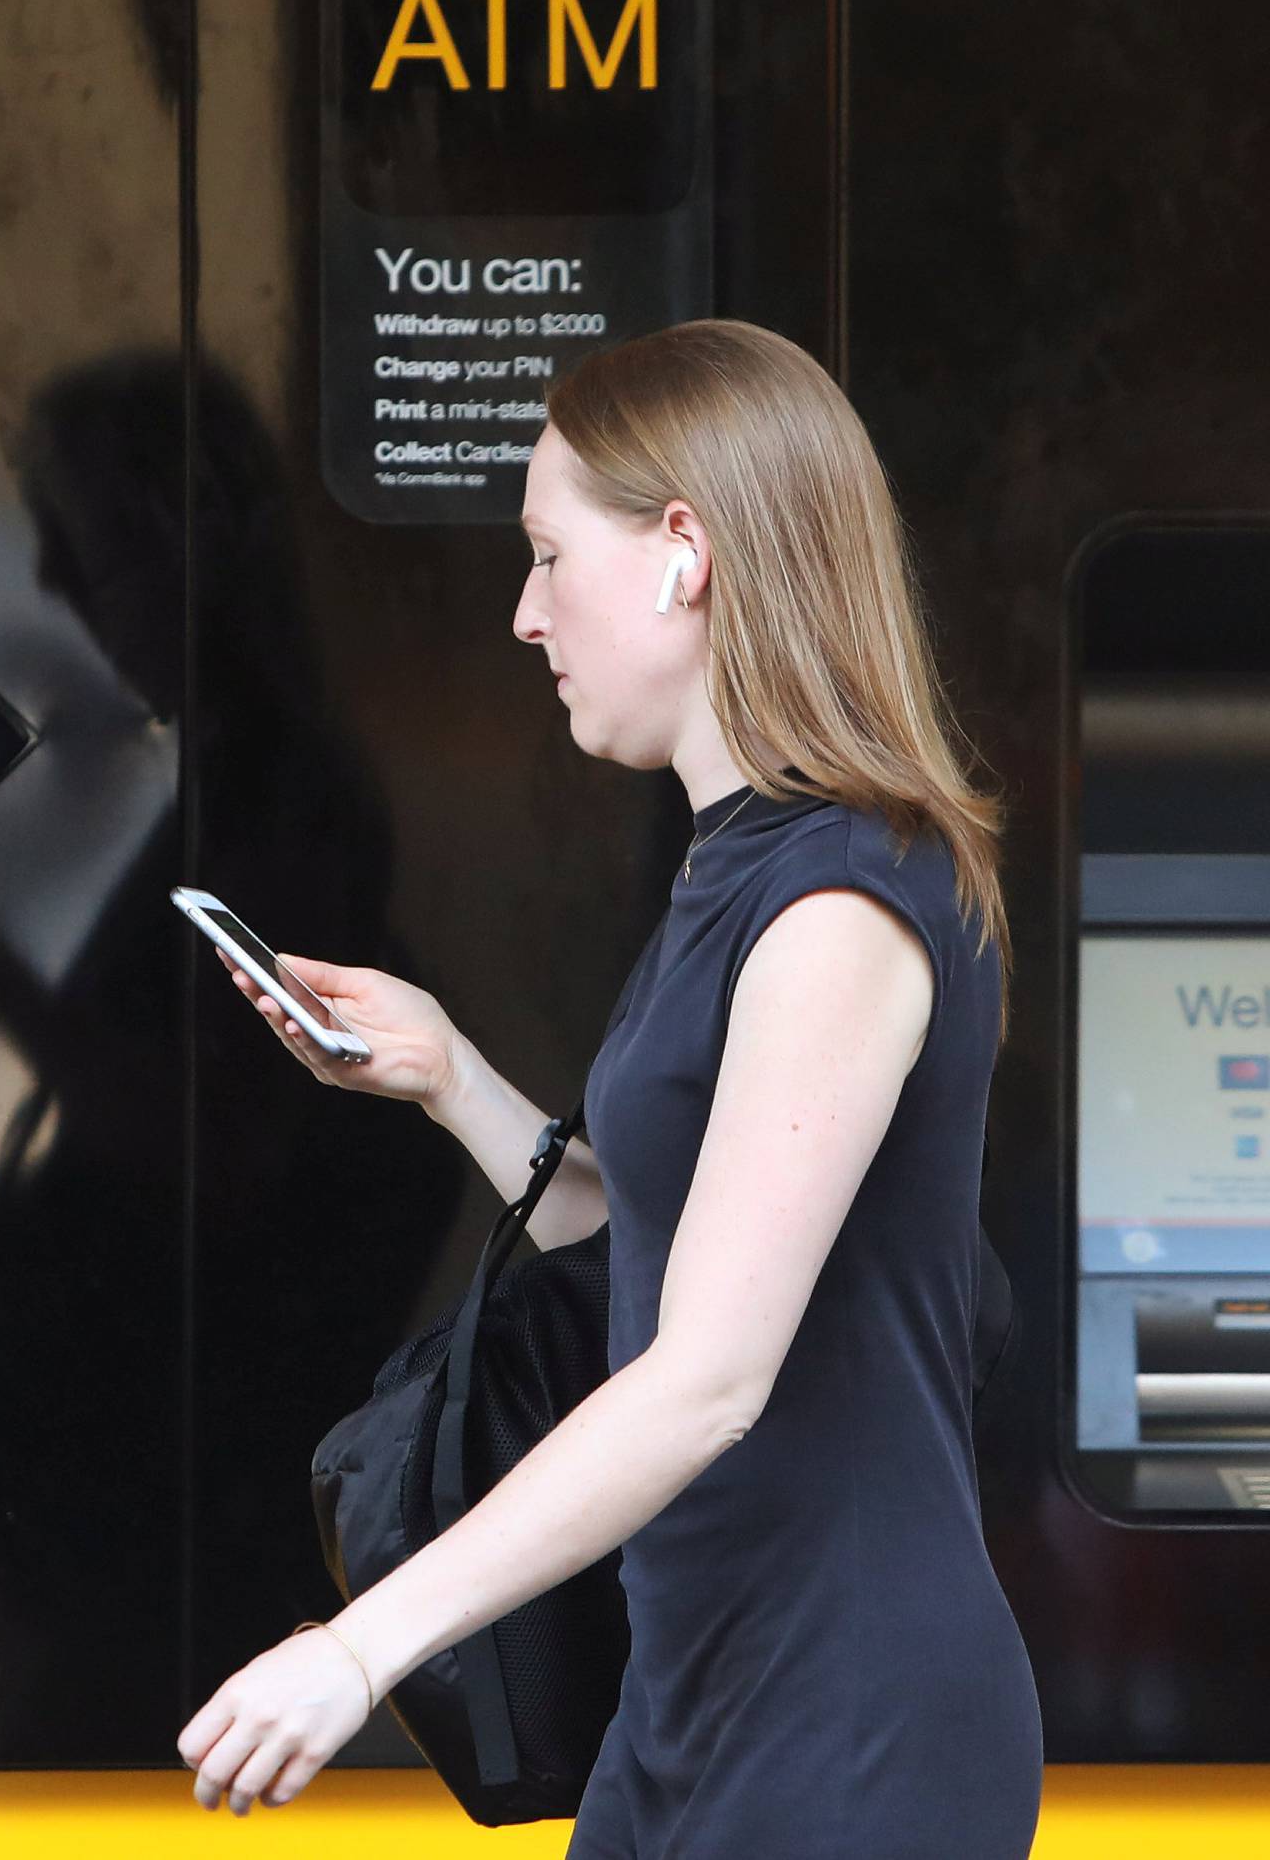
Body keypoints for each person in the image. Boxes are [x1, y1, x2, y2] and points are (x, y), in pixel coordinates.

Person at [176, 319, 1044, 1857]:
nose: (523, 615)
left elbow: (707, 1371)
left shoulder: (844, 903)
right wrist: (445, 1075)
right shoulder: (742, 870)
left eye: (546, 556)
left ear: (682, 554)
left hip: (849, 1726)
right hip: (696, 1697)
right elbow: (647, 1234)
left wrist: (362, 1642)